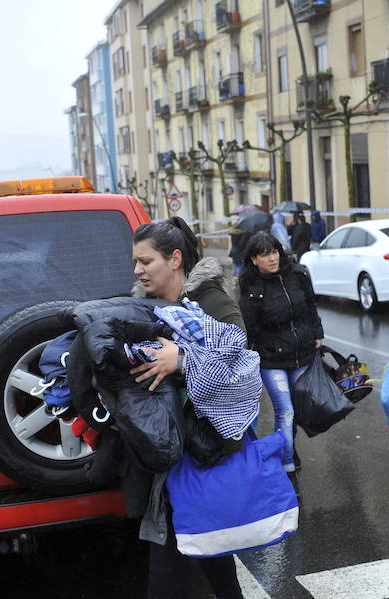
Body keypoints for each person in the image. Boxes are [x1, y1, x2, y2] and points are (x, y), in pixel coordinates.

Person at [129, 216, 247, 599]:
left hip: (203, 451)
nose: (138, 270)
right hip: (162, 452)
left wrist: (181, 359)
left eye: (146, 261)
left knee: (175, 566)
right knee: (209, 551)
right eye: (135, 262)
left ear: (175, 259)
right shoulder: (138, 309)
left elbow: (242, 368)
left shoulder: (212, 303)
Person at [239, 231, 324, 474]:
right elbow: (249, 327)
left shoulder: (297, 274)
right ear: (254, 259)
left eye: (274, 252)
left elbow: (310, 305)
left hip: (302, 353)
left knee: (296, 409)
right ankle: (286, 464)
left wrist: (318, 333)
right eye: (265, 255)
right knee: (285, 410)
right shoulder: (251, 286)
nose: (272, 259)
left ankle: (289, 446)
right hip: (271, 359)